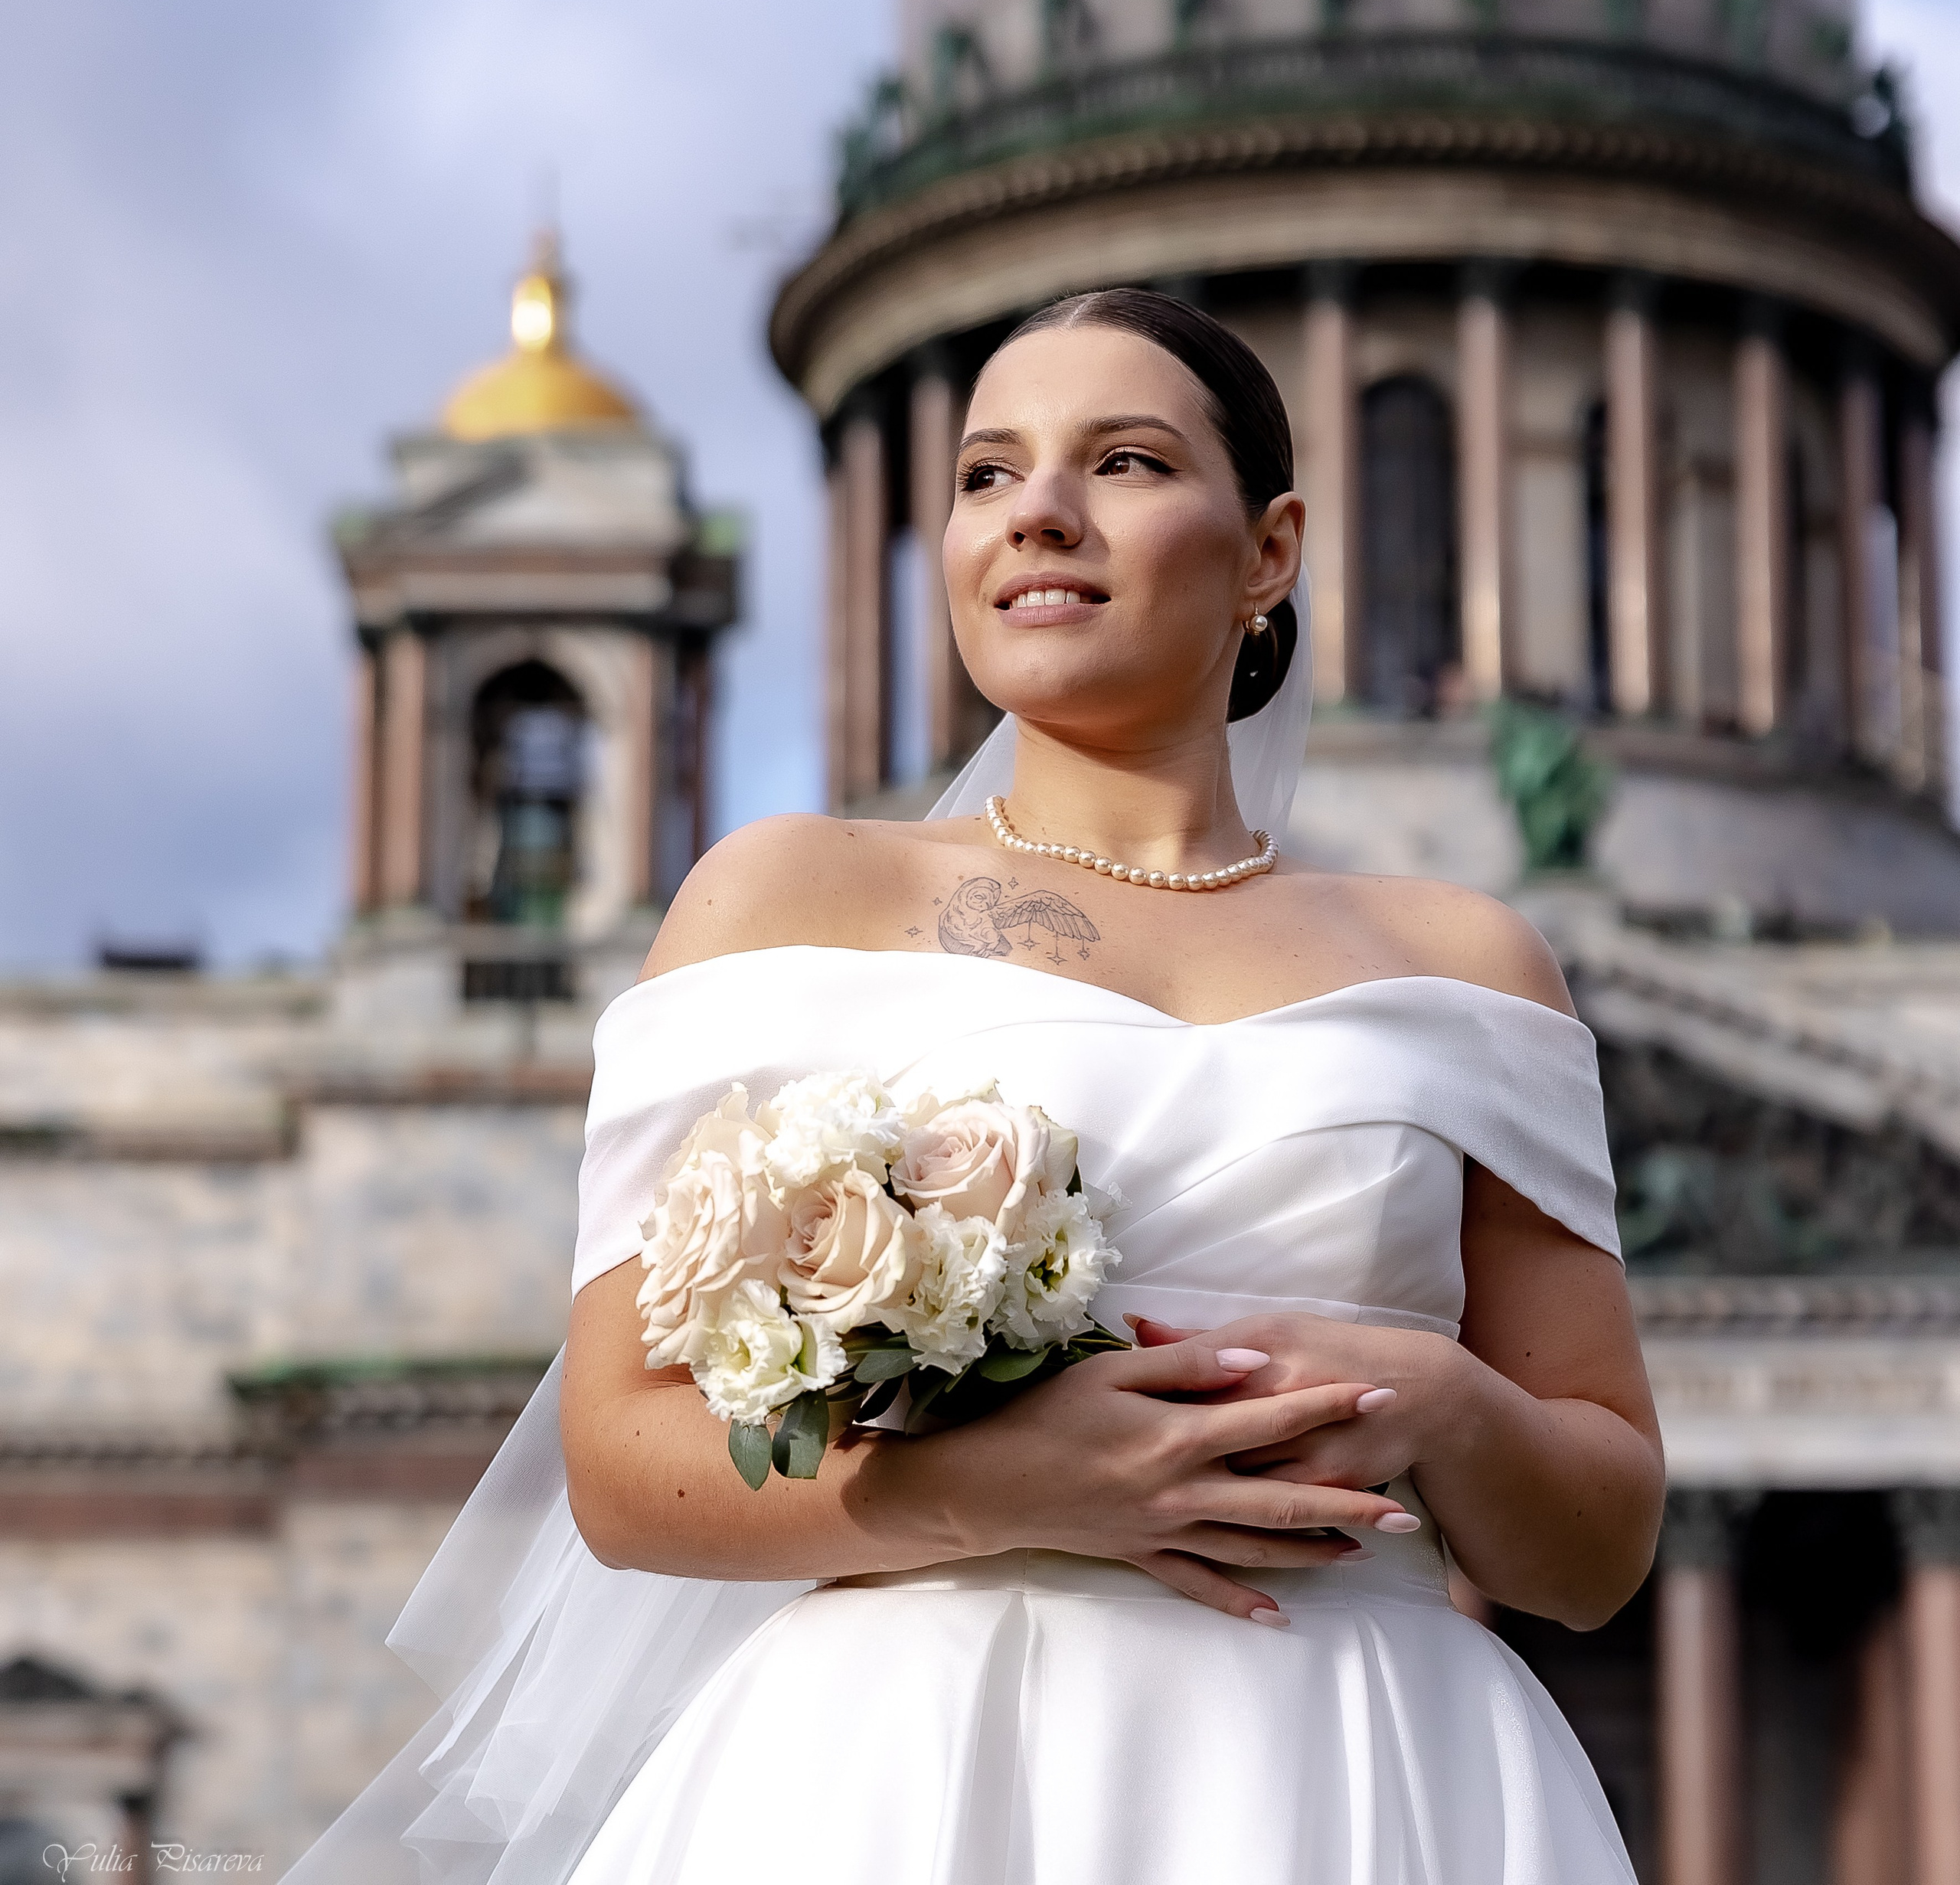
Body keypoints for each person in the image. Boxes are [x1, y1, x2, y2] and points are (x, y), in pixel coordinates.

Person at [289, 289, 1660, 1885]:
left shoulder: (1470, 964)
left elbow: (1596, 1545)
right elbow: (621, 1466)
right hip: (904, 1770)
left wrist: (1441, 1402)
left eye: (1126, 462)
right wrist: (1003, 1482)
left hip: (1356, 1771)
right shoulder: (787, 894)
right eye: (985, 476)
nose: (1039, 518)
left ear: (1269, 551)